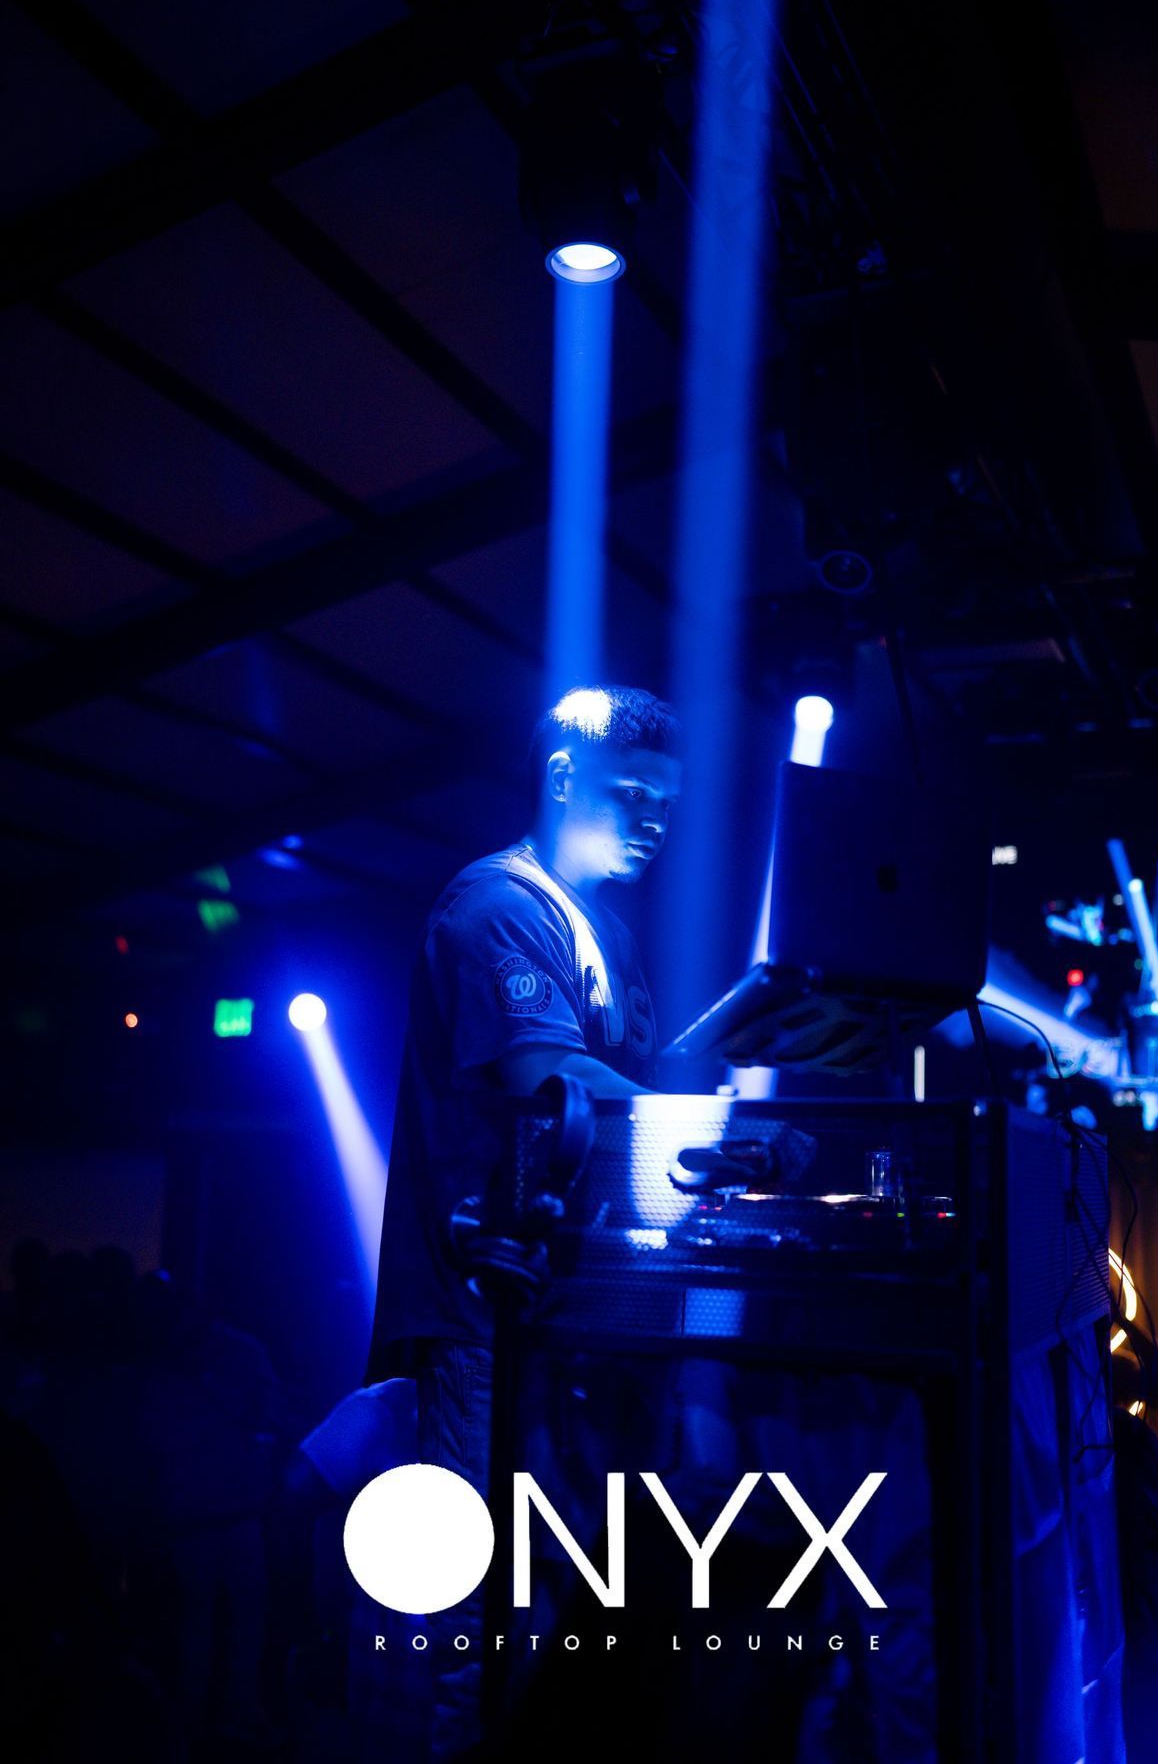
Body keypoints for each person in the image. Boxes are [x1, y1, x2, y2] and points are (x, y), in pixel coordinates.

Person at [366, 683, 682, 1758]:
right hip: (479, 1318)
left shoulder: (610, 934)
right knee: (474, 1611)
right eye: (632, 794)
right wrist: (718, 1120)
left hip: (564, 1319)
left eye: (666, 807)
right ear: (561, 779)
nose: (653, 823)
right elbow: (549, 1073)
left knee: (558, 1599)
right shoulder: (495, 906)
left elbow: (631, 1089)